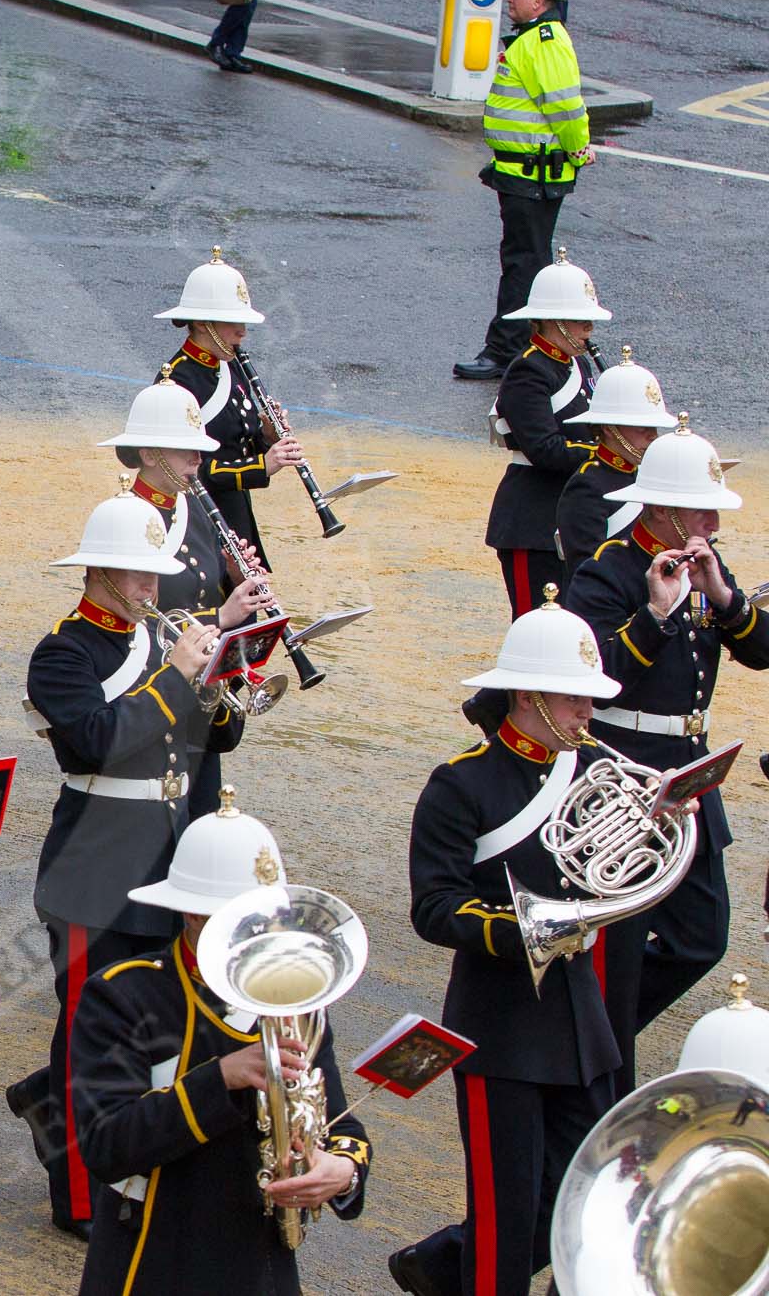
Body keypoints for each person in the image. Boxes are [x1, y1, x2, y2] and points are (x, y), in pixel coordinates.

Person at [9, 490, 241, 1239]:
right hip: (95, 865)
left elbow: (213, 740)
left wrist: (221, 686)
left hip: (166, 854)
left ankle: (84, 1131)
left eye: (155, 574)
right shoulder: (64, 652)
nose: (153, 588)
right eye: (138, 576)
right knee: (89, 1030)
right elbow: (99, 741)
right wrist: (177, 675)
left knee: (153, 1026)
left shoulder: (157, 638)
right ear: (99, 573)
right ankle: (78, 1195)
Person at [388, 592, 624, 1296]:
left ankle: (440, 1268)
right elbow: (433, 907)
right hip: (502, 1026)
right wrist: (529, 928)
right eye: (575, 699)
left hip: (581, 1023)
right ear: (528, 696)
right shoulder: (462, 784)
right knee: (506, 1216)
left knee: (587, 1193)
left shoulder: (591, 769)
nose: (588, 713)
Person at [74, 790, 370, 1294]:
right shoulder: (125, 993)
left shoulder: (296, 997)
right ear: (192, 915)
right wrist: (223, 1077)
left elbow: (341, 1122)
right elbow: (106, 1146)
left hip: (260, 1259)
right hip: (158, 1252)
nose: (261, 934)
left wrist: (341, 1169)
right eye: (241, 921)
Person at [562, 420, 769, 1046]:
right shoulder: (608, 571)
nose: (716, 523)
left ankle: (599, 1030)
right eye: (704, 510)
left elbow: (760, 651)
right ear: (663, 508)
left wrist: (726, 599)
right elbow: (590, 677)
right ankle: (599, 1040)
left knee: (701, 937)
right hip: (625, 769)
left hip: (687, 766)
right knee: (620, 948)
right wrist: (653, 615)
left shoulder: (705, 560)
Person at [101, 372, 270, 808]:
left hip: (203, 691)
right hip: (155, 687)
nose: (198, 459)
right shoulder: (126, 518)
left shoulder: (193, 503)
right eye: (186, 449)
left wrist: (233, 575)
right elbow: (132, 615)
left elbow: (200, 588)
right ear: (149, 453)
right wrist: (222, 618)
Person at [453, 0, 593, 382]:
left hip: (535, 176)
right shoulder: (532, 38)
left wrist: (577, 149)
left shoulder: (544, 42)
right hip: (522, 173)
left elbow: (566, 108)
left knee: (523, 265)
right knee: (525, 261)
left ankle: (507, 350)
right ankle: (533, 346)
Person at [482, 250, 606, 615]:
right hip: (532, 523)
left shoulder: (577, 364)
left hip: (573, 518)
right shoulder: (529, 372)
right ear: (556, 320)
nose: (589, 330)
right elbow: (546, 449)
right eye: (581, 321)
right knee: (537, 630)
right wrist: (609, 456)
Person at [158, 248, 300, 566]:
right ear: (202, 322)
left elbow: (235, 441)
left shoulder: (230, 365)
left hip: (234, 518)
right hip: (197, 524)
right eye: (232, 321)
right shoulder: (178, 380)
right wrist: (261, 466)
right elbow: (183, 471)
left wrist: (267, 437)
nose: (243, 331)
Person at [554, 345, 674, 576]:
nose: (653, 435)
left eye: (654, 427)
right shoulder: (588, 487)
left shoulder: (642, 475)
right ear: (610, 429)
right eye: (642, 428)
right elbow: (588, 571)